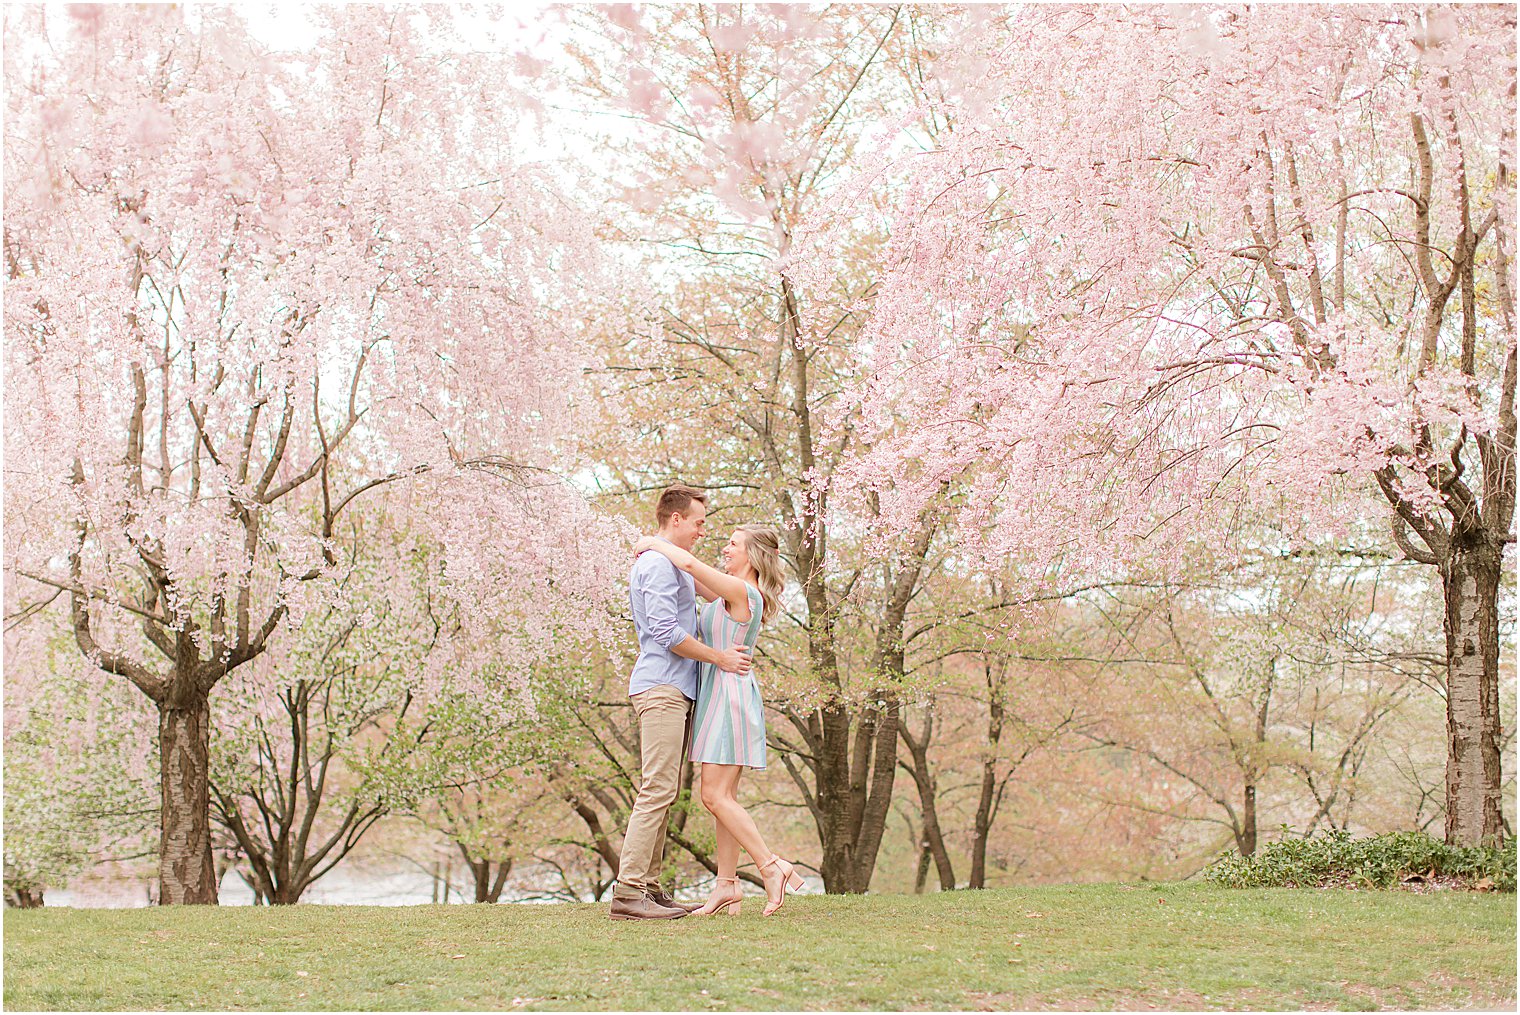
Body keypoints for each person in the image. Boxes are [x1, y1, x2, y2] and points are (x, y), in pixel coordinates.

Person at [633, 523, 805, 917]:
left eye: (732, 544)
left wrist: (651, 543)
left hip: (729, 699)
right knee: (724, 798)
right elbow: (689, 580)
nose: (725, 549)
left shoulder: (744, 591)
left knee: (714, 796)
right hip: (719, 696)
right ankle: (726, 886)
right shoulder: (728, 592)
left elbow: (690, 565)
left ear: (752, 555)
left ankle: (770, 864)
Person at [610, 484, 755, 922]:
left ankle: (650, 888)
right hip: (660, 688)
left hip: (678, 690)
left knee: (665, 791)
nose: (701, 531)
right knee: (656, 788)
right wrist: (719, 657)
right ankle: (629, 892)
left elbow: (719, 591)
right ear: (676, 520)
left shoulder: (672, 565)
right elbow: (664, 632)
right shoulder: (656, 564)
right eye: (698, 523)